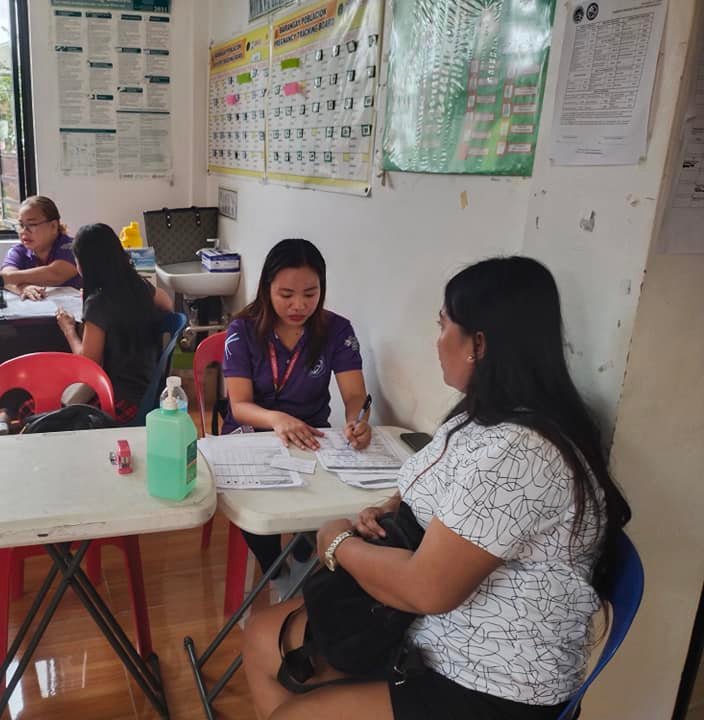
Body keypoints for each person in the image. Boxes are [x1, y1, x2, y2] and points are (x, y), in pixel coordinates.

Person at [241, 256, 632, 720]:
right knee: (261, 636)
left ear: (478, 344)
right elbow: (433, 486)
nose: (437, 339)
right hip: (425, 628)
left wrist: (336, 542)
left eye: (443, 324)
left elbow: (427, 589)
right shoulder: (482, 416)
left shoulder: (522, 451)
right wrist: (388, 508)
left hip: (490, 678)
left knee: (294, 712)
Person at [222, 238, 371, 584]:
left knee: (322, 511)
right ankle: (275, 569)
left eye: (310, 293)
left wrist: (357, 421)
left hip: (310, 437)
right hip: (251, 438)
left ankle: (304, 555)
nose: (299, 305)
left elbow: (354, 395)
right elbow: (240, 406)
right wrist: (277, 419)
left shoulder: (336, 330)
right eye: (286, 294)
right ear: (266, 288)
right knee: (259, 519)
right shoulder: (242, 331)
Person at [55, 223, 172, 424]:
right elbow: (168, 304)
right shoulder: (140, 286)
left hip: (117, 400)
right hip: (149, 394)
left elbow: (88, 364)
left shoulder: (98, 304)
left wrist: (68, 330)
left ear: (84, 264)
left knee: (31, 409)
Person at [0, 195, 82, 300]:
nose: (24, 231)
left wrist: (5, 278)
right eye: (21, 225)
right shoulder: (17, 251)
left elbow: (55, 274)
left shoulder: (72, 246)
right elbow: (7, 276)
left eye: (32, 224)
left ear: (53, 226)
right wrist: (24, 288)